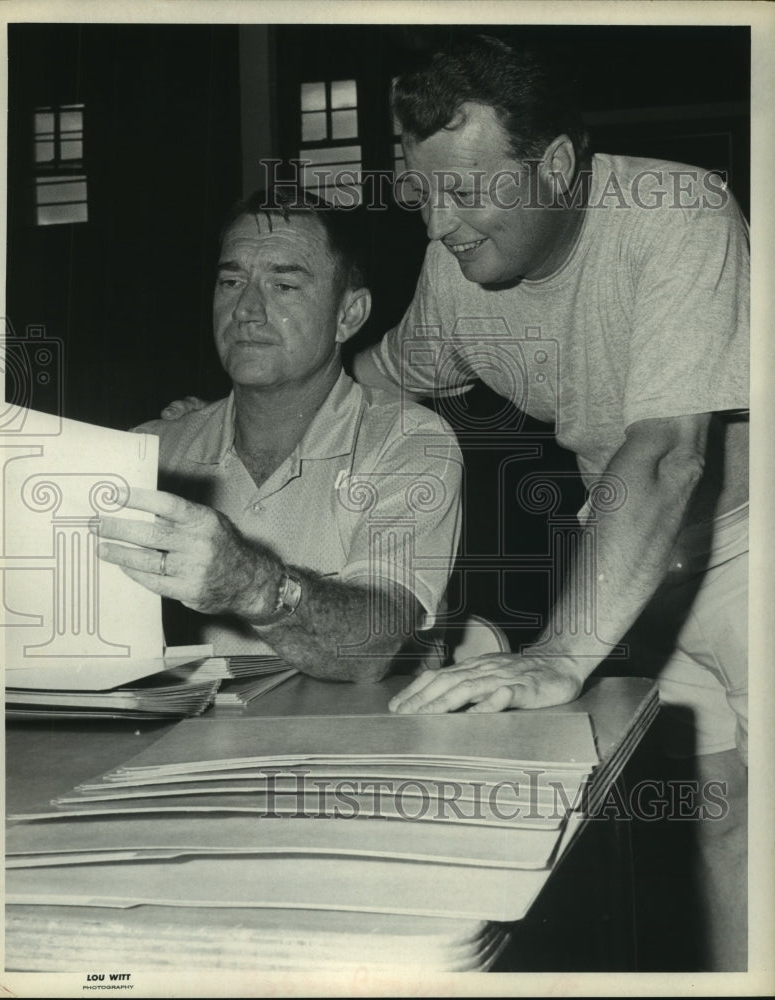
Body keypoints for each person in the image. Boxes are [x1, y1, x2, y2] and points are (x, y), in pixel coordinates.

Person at [348, 35, 748, 970]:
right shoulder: (455, 272)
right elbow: (379, 380)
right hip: (640, 567)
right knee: (720, 826)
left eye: (466, 190)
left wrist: (559, 653)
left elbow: (664, 458)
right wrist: (233, 408)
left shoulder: (675, 213)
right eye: (422, 190)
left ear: (557, 165)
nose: (440, 223)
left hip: (747, 542)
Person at [97, 189, 462, 682]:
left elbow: (372, 647)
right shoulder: (151, 450)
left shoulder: (408, 443)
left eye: (284, 286)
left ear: (348, 315)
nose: (246, 309)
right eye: (230, 281)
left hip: (350, 750)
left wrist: (252, 584)